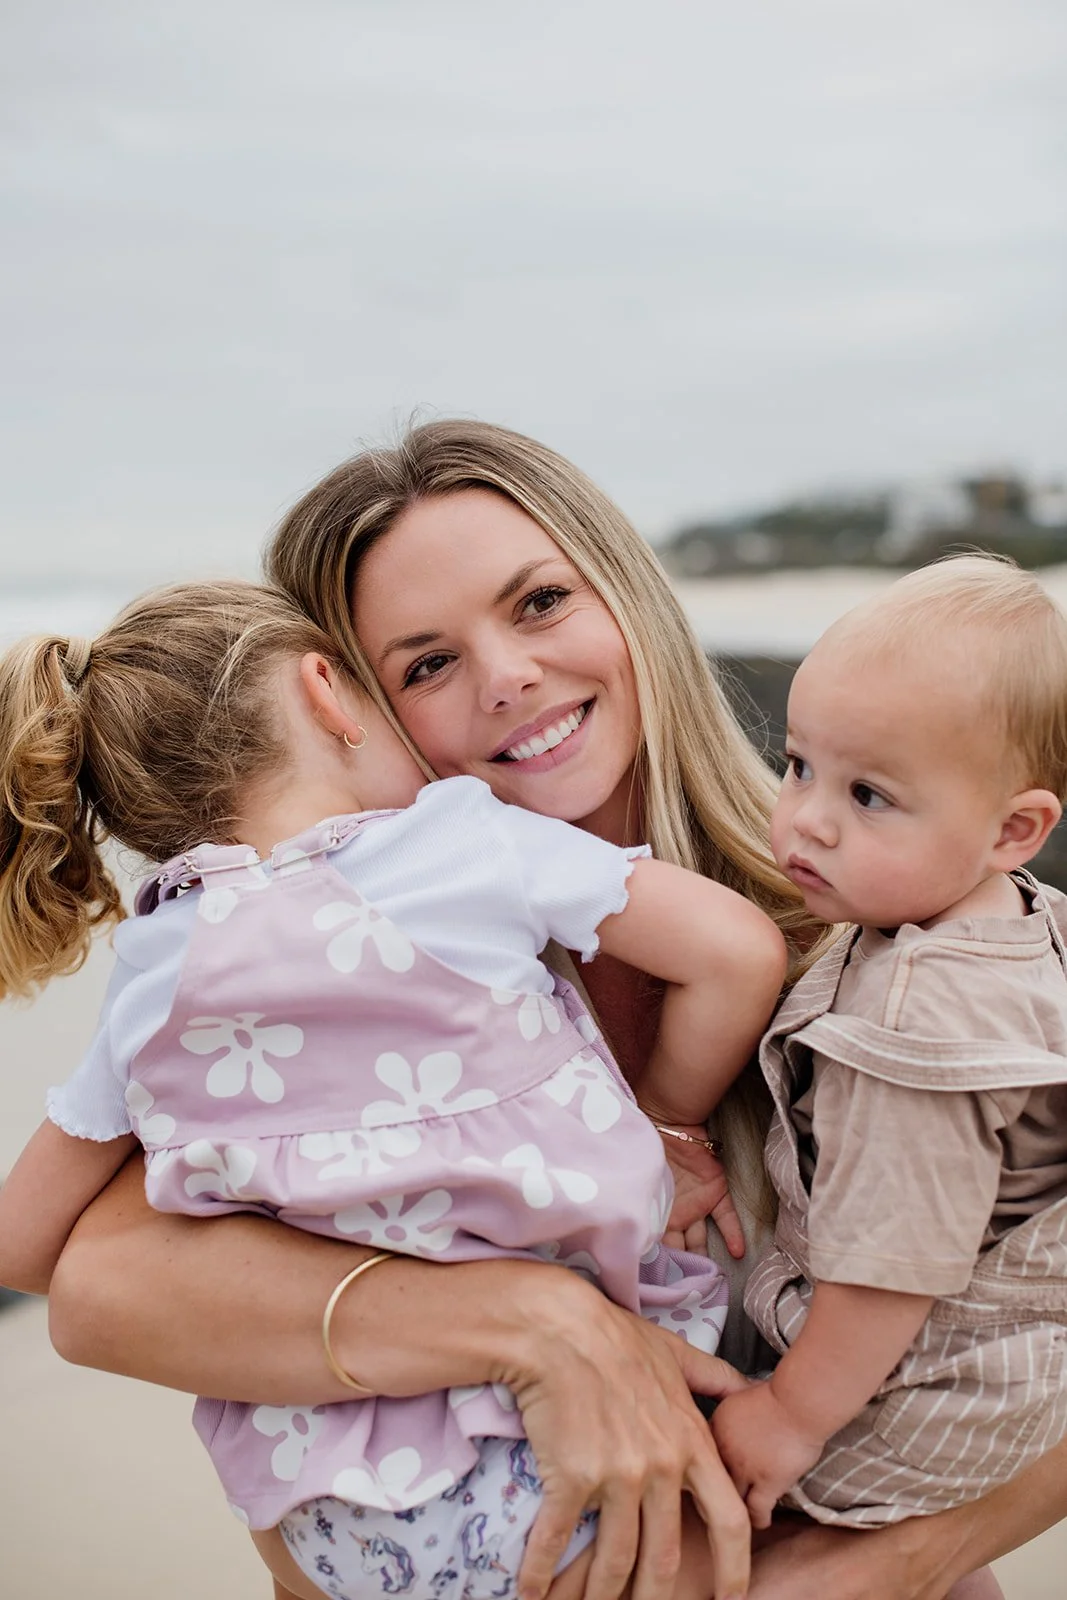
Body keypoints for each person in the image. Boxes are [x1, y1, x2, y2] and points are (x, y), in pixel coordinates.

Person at [32, 421, 1067, 1600]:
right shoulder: (349, 995)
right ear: (353, 709)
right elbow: (97, 1285)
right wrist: (533, 1323)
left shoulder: (892, 938)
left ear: (624, 594)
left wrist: (893, 1564)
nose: (506, 677)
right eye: (424, 664)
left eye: (536, 603)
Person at [0, 578, 788, 1600]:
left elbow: (25, 1245)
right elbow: (736, 949)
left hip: (328, 1506)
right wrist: (671, 1120)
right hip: (574, 1454)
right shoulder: (460, 838)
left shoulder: (153, 975)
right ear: (327, 691)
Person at [711, 556, 1067, 1532]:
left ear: (1013, 828)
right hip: (1004, 1367)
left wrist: (787, 1413)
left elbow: (887, 1269)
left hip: (916, 1387)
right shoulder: (1015, 918)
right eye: (796, 765)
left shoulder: (914, 1025)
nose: (804, 820)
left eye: (867, 795)